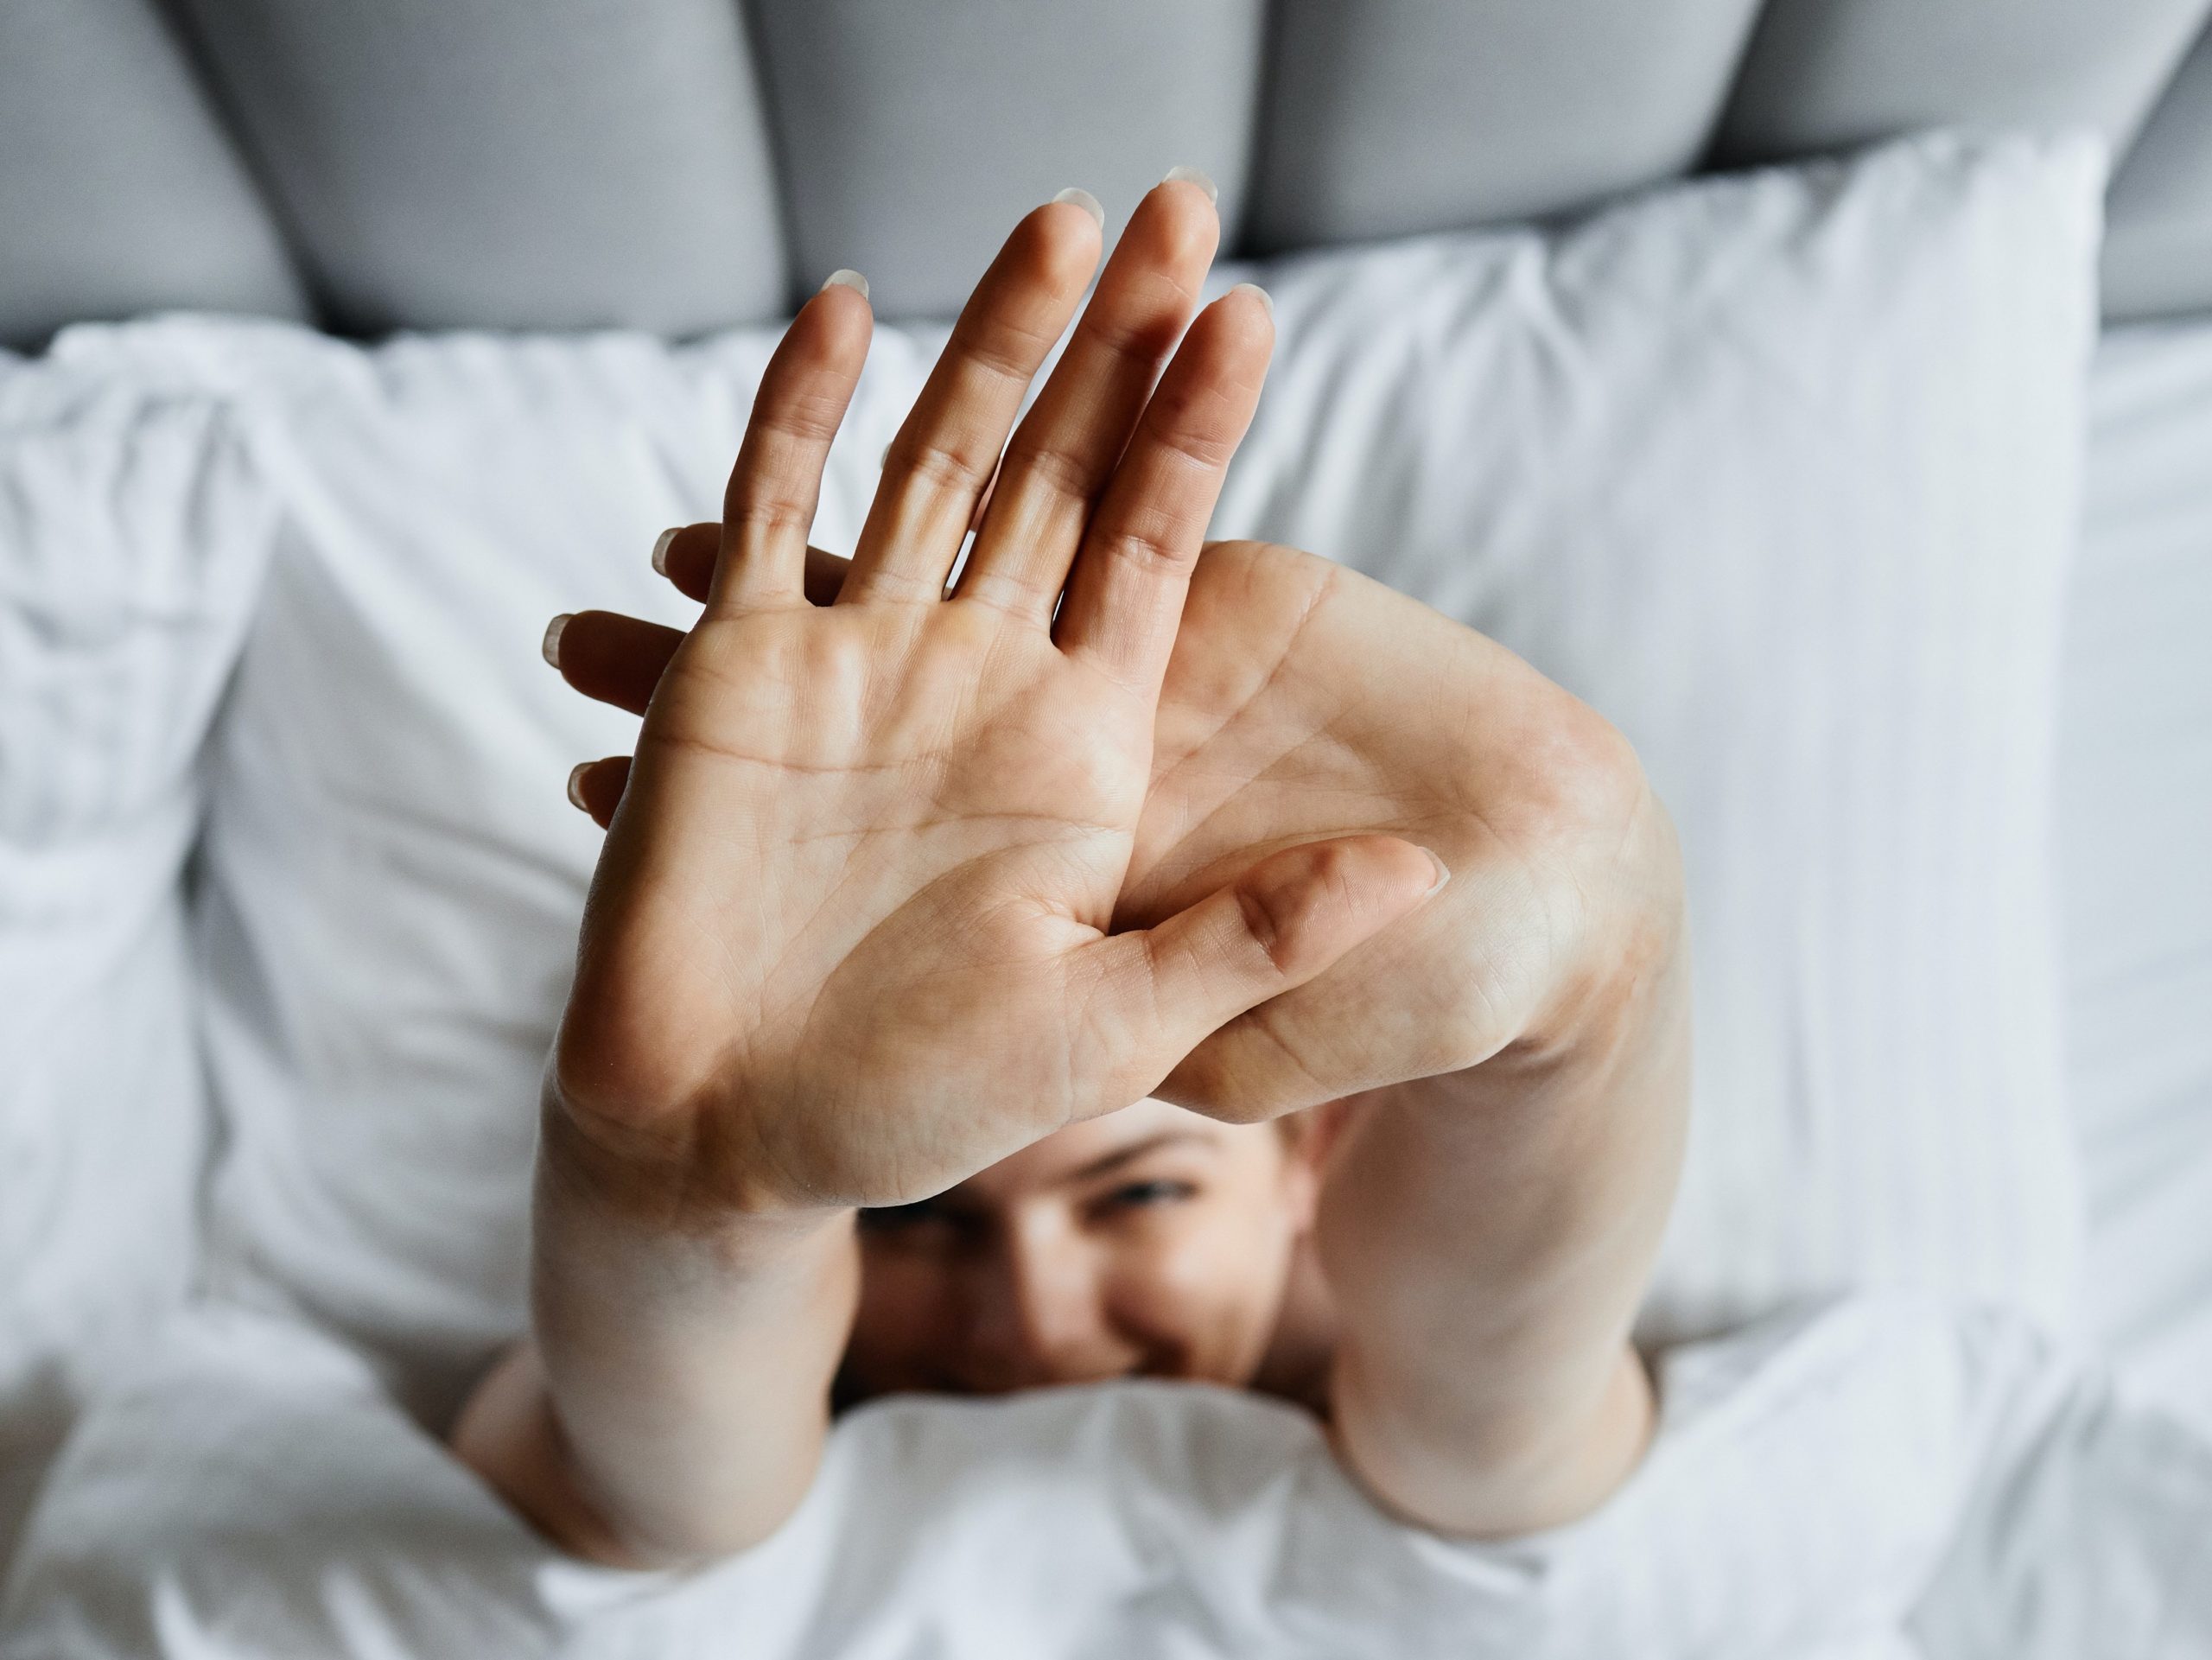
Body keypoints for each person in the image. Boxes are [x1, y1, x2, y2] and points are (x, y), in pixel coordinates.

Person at [449, 172, 1690, 1571]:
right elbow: (635, 1514)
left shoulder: (1407, 1428)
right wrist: (677, 1180)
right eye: (919, 1222)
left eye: (1142, 1195)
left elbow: (1499, 1445)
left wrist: (1602, 946)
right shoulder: (735, 1419)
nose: (1031, 1327)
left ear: (1314, 1160)